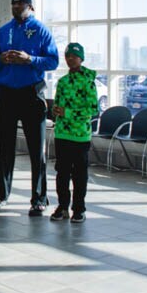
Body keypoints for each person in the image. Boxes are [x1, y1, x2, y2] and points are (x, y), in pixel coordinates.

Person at [0, 0, 59, 216]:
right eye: (13, 4)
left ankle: (39, 198)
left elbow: (53, 60)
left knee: (36, 149)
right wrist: (0, 59)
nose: (16, 7)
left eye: (20, 4)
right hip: (8, 93)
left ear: (30, 7)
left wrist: (30, 59)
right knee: (5, 146)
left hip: (31, 93)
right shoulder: (4, 31)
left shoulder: (41, 30)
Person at [50, 43, 98, 224]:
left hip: (80, 135)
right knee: (61, 172)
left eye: (74, 56)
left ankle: (79, 208)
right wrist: (55, 111)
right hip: (62, 134)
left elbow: (93, 110)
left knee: (79, 174)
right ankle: (62, 206)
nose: (70, 59)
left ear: (81, 58)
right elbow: (57, 104)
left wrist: (68, 113)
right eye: (67, 56)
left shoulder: (88, 81)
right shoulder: (62, 82)